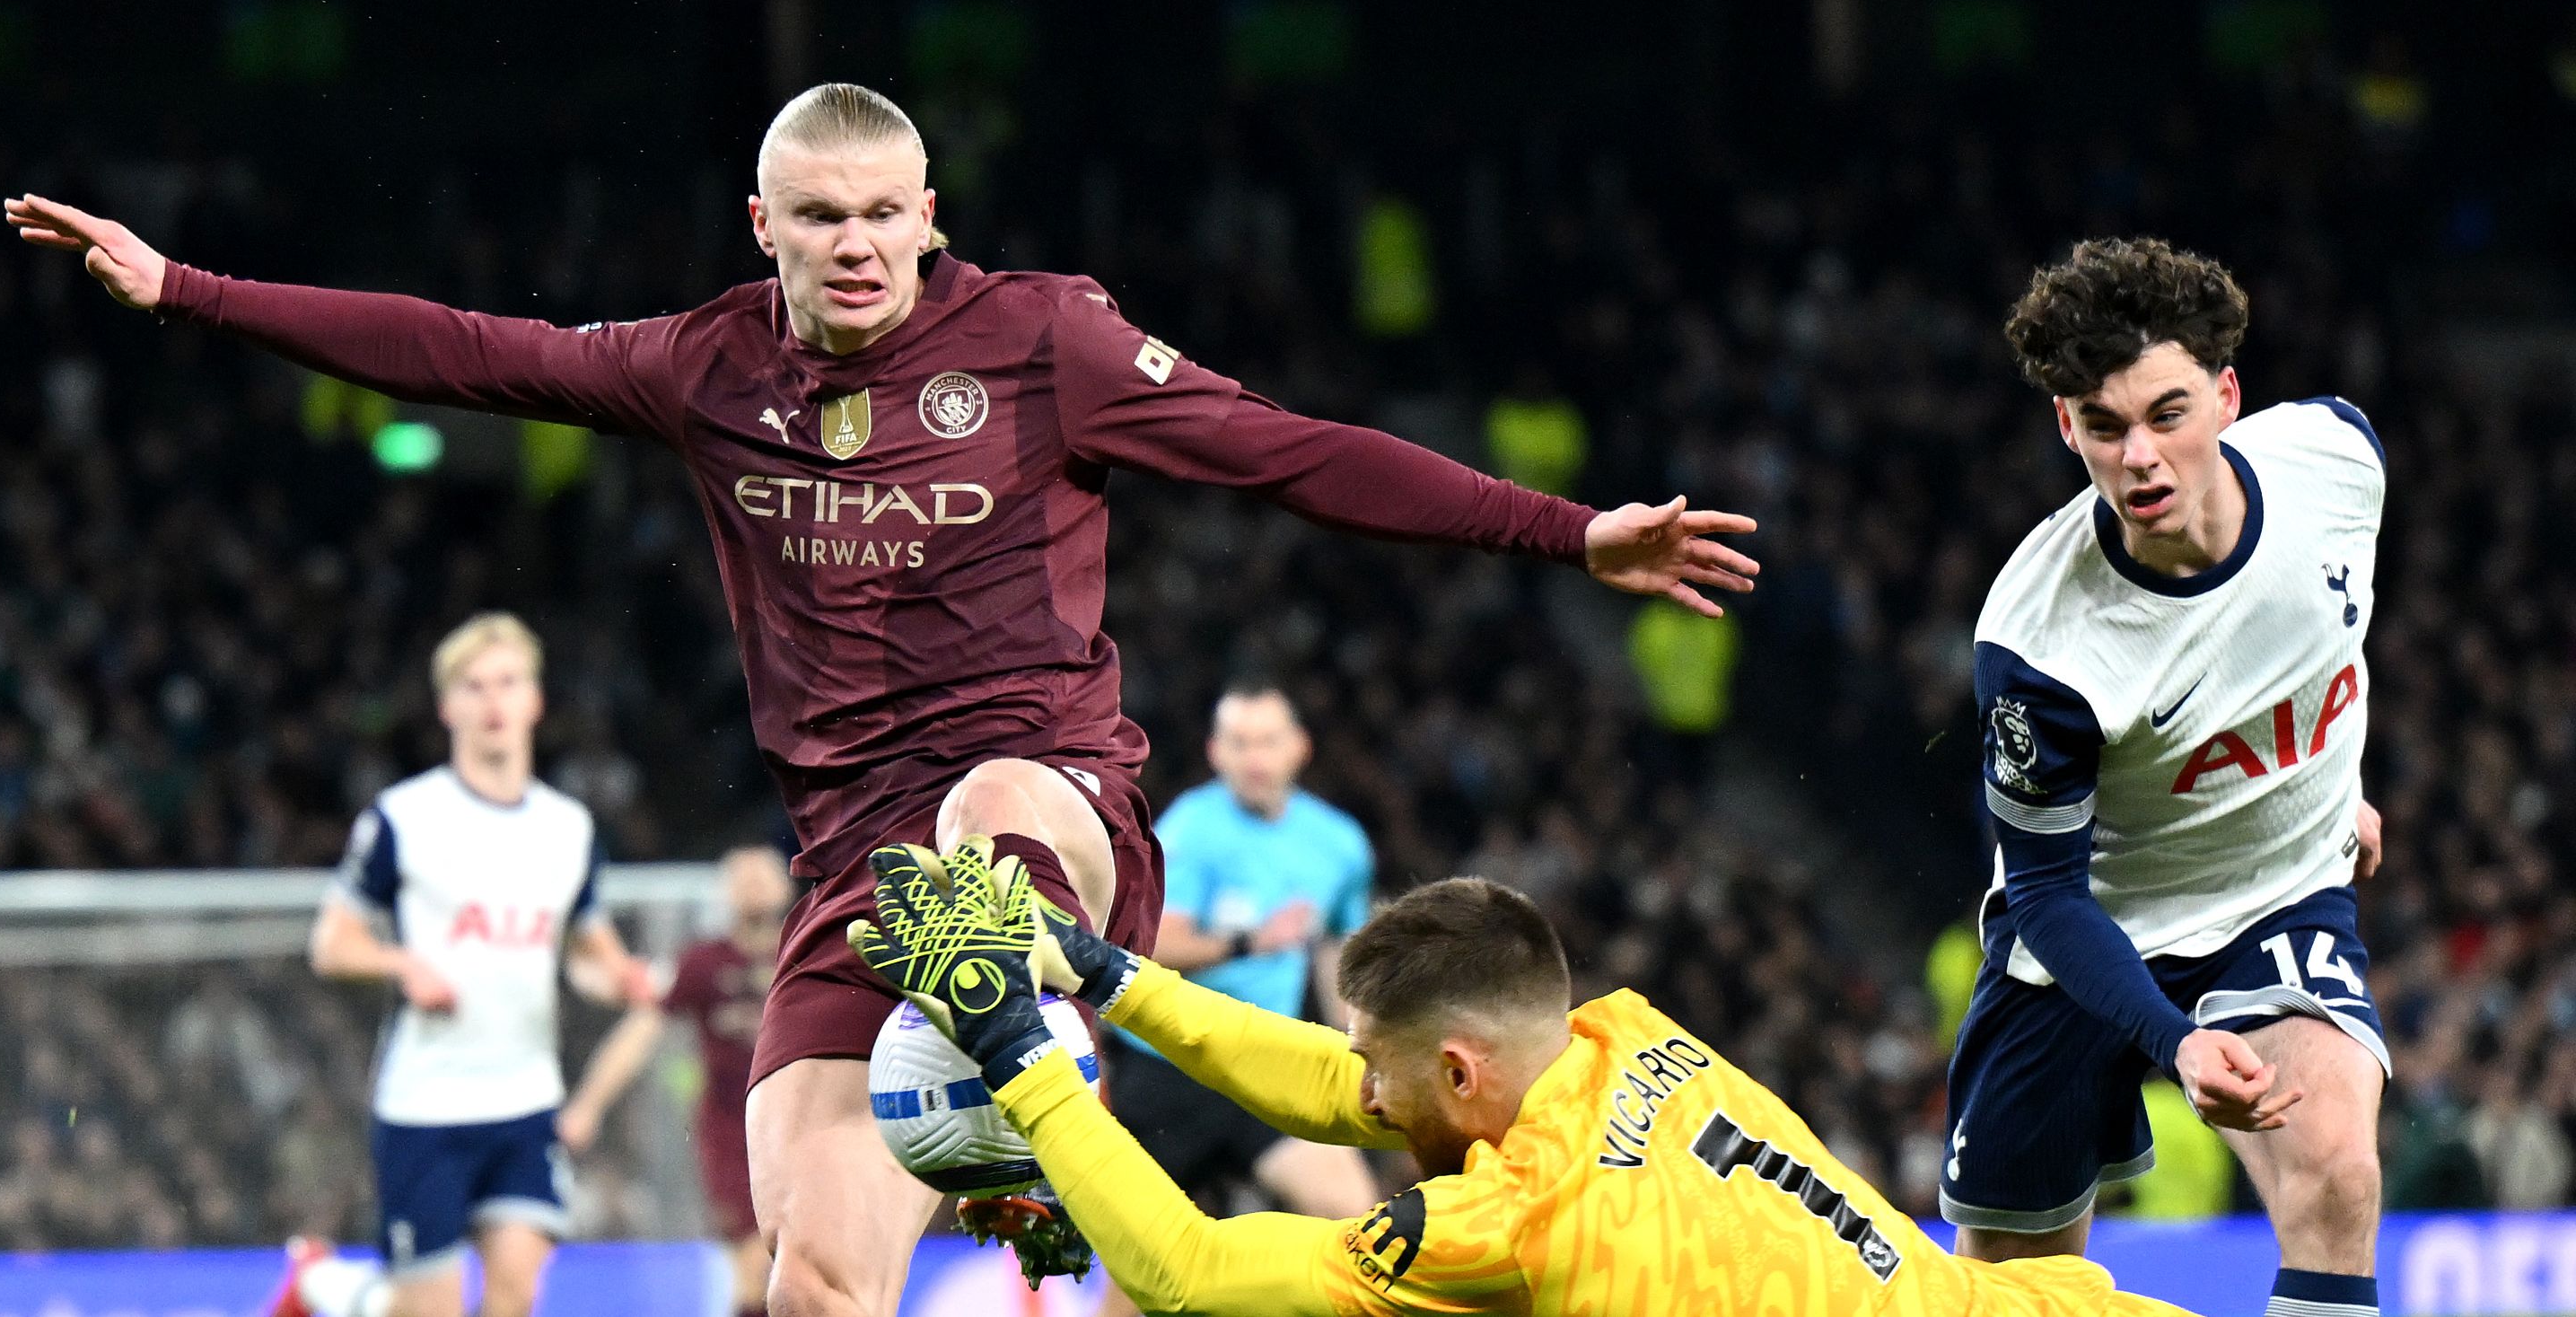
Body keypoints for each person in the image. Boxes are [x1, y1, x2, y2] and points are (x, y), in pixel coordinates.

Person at [4, 83, 1759, 1317]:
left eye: (884, 218)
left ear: (934, 218)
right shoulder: (706, 368)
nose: (857, 249)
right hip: (851, 858)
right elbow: (472, 347)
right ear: (762, 224)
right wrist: (188, 290)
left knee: (987, 821)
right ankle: (993, 1104)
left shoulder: (1044, 341)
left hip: (1046, 802)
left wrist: (1565, 532)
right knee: (818, 1277)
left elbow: (1285, 453)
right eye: (821, 219)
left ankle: (1027, 1063)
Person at [849, 844, 2193, 1316]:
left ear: (1456, 1062)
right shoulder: (1622, 1031)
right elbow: (1338, 1084)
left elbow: (1189, 1272)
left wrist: (1021, 1057)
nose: (1359, 1100)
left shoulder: (1512, 1225)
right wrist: (1102, 967)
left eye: (1385, 1069)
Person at [1945, 239, 2388, 1317]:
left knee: (2338, 1174)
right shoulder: (2041, 642)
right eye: (2104, 427)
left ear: (2229, 396)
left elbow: (2323, 645)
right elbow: (2045, 896)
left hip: (2277, 899)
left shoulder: (2338, 459)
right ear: (2067, 428)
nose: (2140, 456)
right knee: (2011, 1296)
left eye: (2168, 414)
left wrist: (2335, 785)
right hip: (2091, 938)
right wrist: (2176, 1037)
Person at [271, 613, 657, 1317]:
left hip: (525, 1101)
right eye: (473, 687)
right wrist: (401, 964)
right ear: (447, 706)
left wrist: (622, 979)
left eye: (508, 683)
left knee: (513, 1296)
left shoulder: (567, 828)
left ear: (535, 700)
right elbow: (331, 942)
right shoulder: (405, 817)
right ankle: (321, 1284)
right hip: (427, 1105)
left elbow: (588, 957)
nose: (492, 702)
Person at [1100, 682, 1377, 1317]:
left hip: (1262, 1066)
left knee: (1357, 1220)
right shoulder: (1189, 830)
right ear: (1215, 752)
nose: (1255, 757)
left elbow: (1338, 949)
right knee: (1141, 1283)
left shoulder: (1339, 843)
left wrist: (1362, 1046)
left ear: (1299, 747)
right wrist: (1251, 939)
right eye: (1239, 742)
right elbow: (1148, 946)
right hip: (1168, 1069)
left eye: (1269, 740)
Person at [556, 845, 794, 1316]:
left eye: (761, 875)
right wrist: (588, 1104)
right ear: (724, 893)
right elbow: (640, 1032)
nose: (752, 886)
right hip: (733, 1134)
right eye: (740, 877)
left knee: (798, 1270)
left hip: (803, 1128)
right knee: (753, 1265)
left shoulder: (803, 953)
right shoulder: (702, 962)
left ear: (786, 884)